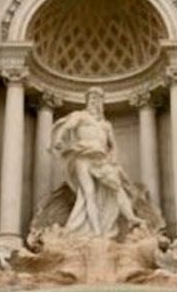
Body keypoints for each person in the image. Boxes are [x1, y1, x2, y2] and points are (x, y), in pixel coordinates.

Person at [50, 88, 142, 237]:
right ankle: (97, 232)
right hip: (83, 158)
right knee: (89, 193)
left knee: (117, 187)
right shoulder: (80, 116)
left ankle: (131, 218)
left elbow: (113, 145)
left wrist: (113, 160)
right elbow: (66, 127)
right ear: (87, 101)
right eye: (92, 98)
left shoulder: (106, 125)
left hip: (101, 159)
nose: (95, 102)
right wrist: (59, 140)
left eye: (98, 99)